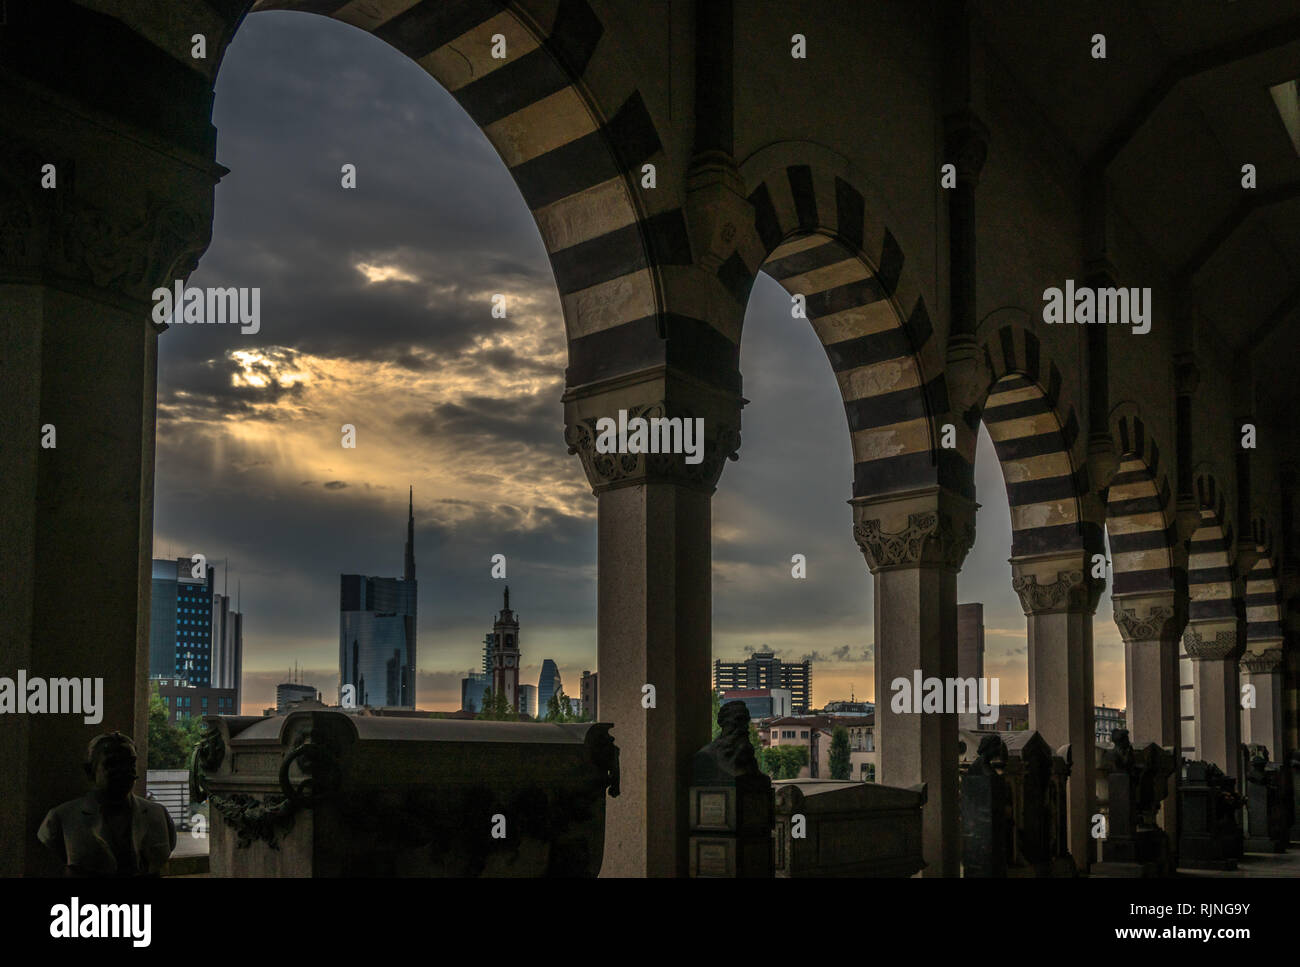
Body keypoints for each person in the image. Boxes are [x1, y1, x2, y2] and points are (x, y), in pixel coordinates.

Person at [38, 731, 176, 876]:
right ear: (90, 771)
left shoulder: (159, 815)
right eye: (112, 764)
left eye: (130, 763)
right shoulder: (60, 819)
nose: (123, 770)